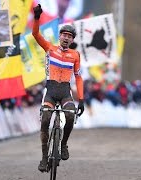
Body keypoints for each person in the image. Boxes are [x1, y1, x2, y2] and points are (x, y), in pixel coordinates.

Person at [32, 4, 85, 172]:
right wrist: (36, 18)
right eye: (64, 35)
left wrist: (81, 100)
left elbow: (78, 77)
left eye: (70, 36)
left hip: (64, 92)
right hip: (50, 91)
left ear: (72, 40)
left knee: (70, 117)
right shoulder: (50, 48)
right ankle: (43, 158)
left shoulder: (75, 55)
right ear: (60, 36)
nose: (66, 38)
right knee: (46, 120)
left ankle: (63, 144)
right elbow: (35, 34)